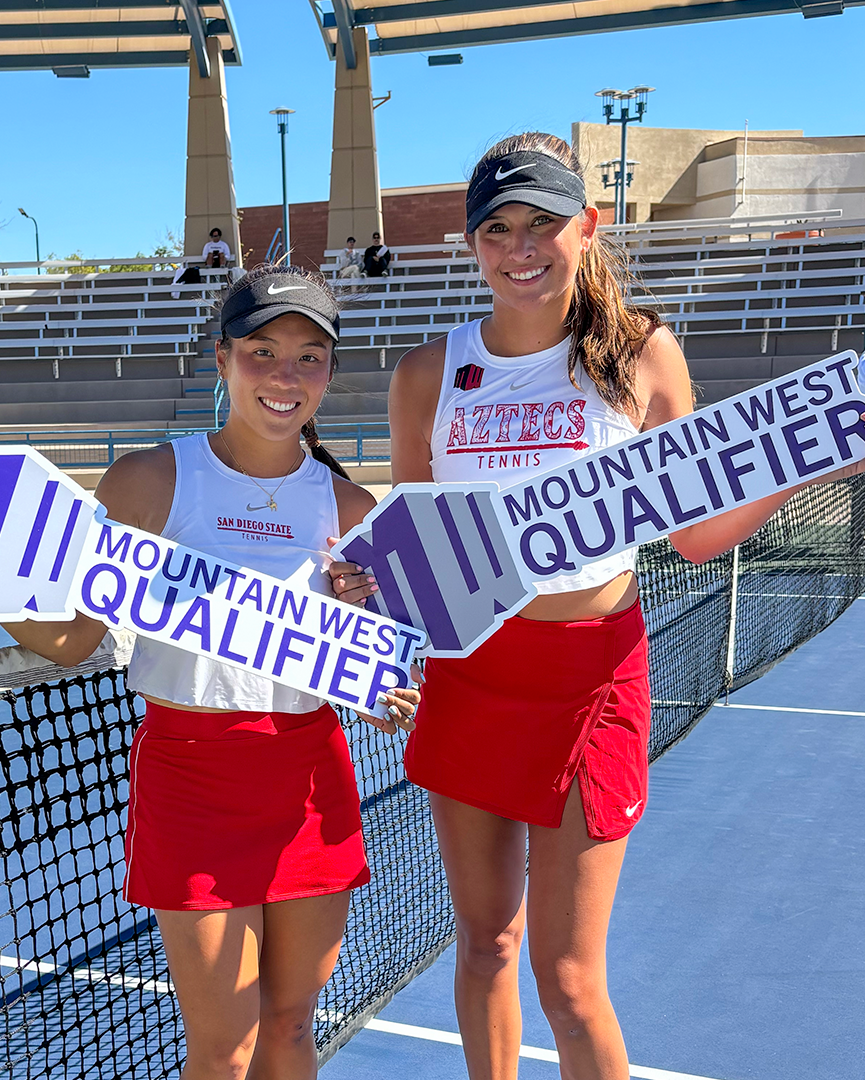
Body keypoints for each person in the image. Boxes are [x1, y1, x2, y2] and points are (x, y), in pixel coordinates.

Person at [330, 132, 861, 1080]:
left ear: (590, 225)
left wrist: (815, 455)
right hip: (469, 680)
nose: (520, 246)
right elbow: (413, 556)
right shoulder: (427, 375)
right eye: (498, 227)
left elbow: (695, 534)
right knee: (485, 944)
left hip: (592, 679)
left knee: (569, 979)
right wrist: (365, 624)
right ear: (472, 243)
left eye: (543, 223)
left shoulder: (642, 354)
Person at [0, 266, 421, 1080]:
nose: (286, 377)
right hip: (192, 774)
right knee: (224, 1046)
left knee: (290, 1030)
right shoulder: (147, 480)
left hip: (311, 774)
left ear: (329, 370)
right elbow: (73, 640)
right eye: (263, 351)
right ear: (222, 359)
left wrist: (382, 676)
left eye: (310, 357)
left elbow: (382, 671)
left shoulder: (354, 511)